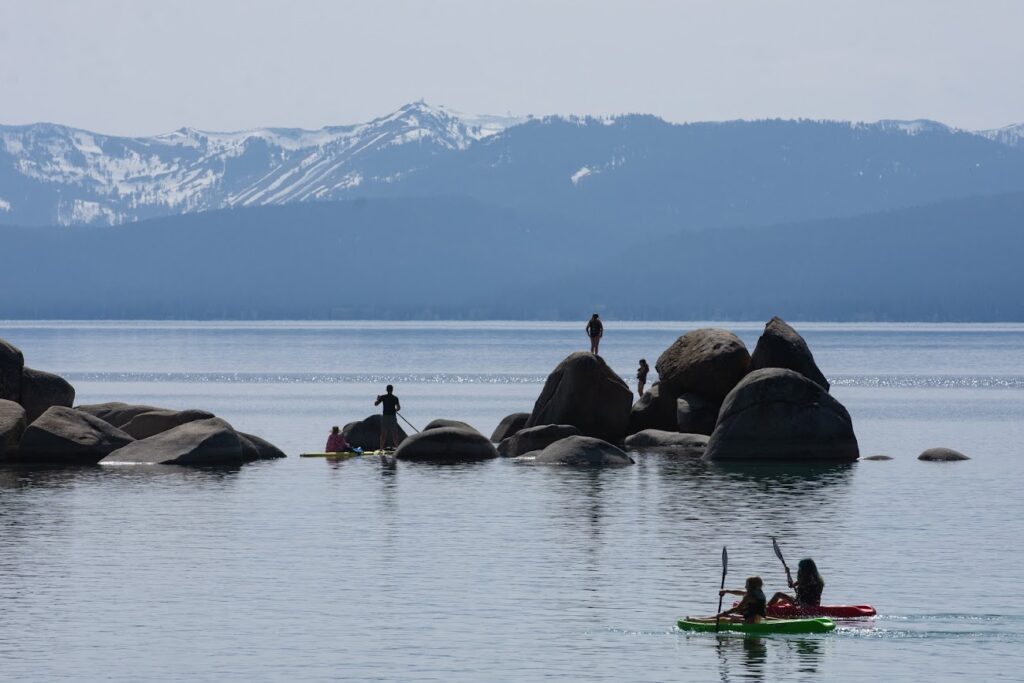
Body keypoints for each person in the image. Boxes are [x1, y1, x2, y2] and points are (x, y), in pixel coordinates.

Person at [374, 384, 401, 452]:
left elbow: (376, 404)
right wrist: (395, 410)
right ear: (392, 390)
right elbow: (399, 408)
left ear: (386, 390)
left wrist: (377, 399)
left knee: (383, 434)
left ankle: (381, 449)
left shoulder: (383, 397)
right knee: (394, 434)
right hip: (392, 417)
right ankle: (398, 448)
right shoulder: (395, 398)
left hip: (385, 417)